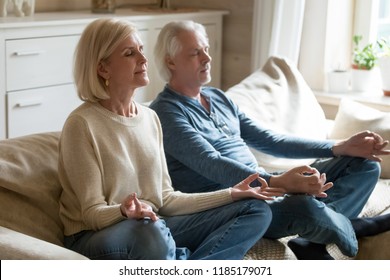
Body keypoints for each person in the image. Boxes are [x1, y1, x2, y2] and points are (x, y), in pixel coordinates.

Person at [150, 20, 390, 260]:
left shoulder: (217, 97)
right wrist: (278, 183)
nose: (206, 58)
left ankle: (315, 239)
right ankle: (356, 227)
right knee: (303, 207)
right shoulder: (166, 112)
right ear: (171, 61)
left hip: (266, 182)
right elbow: (211, 162)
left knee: (365, 163)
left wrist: (340, 146)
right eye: (195, 53)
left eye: (206, 49)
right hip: (236, 202)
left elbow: (271, 140)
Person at [57, 17, 289, 260]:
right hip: (95, 235)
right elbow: (92, 213)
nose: (143, 60)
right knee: (150, 232)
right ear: (103, 68)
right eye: (129, 53)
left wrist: (232, 193)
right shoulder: (82, 124)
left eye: (141, 50)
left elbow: (166, 199)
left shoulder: (150, 118)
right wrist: (124, 211)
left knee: (256, 208)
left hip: (153, 223)